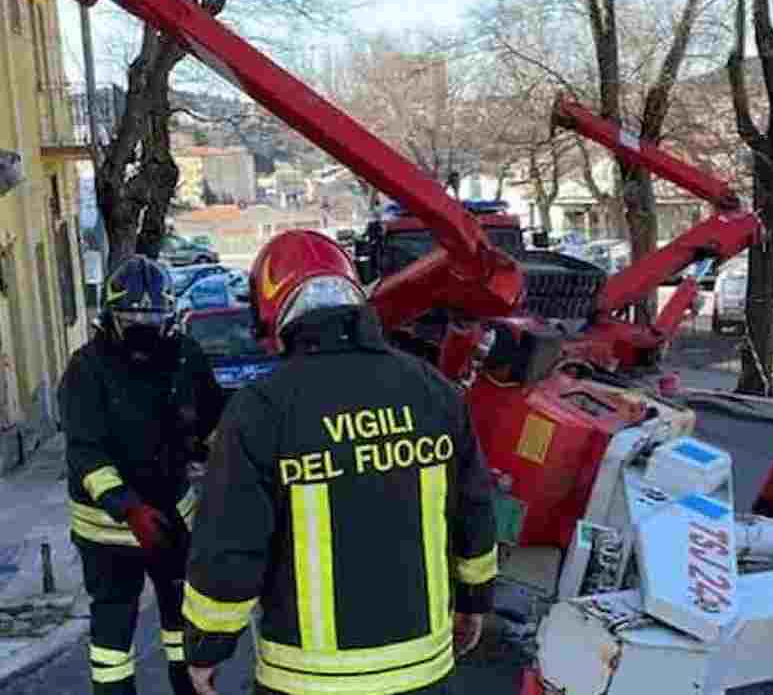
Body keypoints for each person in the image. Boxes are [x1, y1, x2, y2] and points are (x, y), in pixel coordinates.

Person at [182, 230, 498, 695]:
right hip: (423, 671)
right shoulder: (430, 389)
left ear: (271, 310)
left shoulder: (262, 408)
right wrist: (474, 601)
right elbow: (474, 508)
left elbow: (230, 542)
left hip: (307, 678)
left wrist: (207, 648)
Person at [59, 255, 226, 695]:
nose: (142, 328)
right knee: (113, 636)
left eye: (151, 319)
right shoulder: (86, 370)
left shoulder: (185, 357)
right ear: (109, 317)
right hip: (107, 533)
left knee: (181, 623)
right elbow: (85, 454)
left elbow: (214, 420)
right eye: (131, 318)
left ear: (169, 316)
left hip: (172, 517)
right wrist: (127, 508)